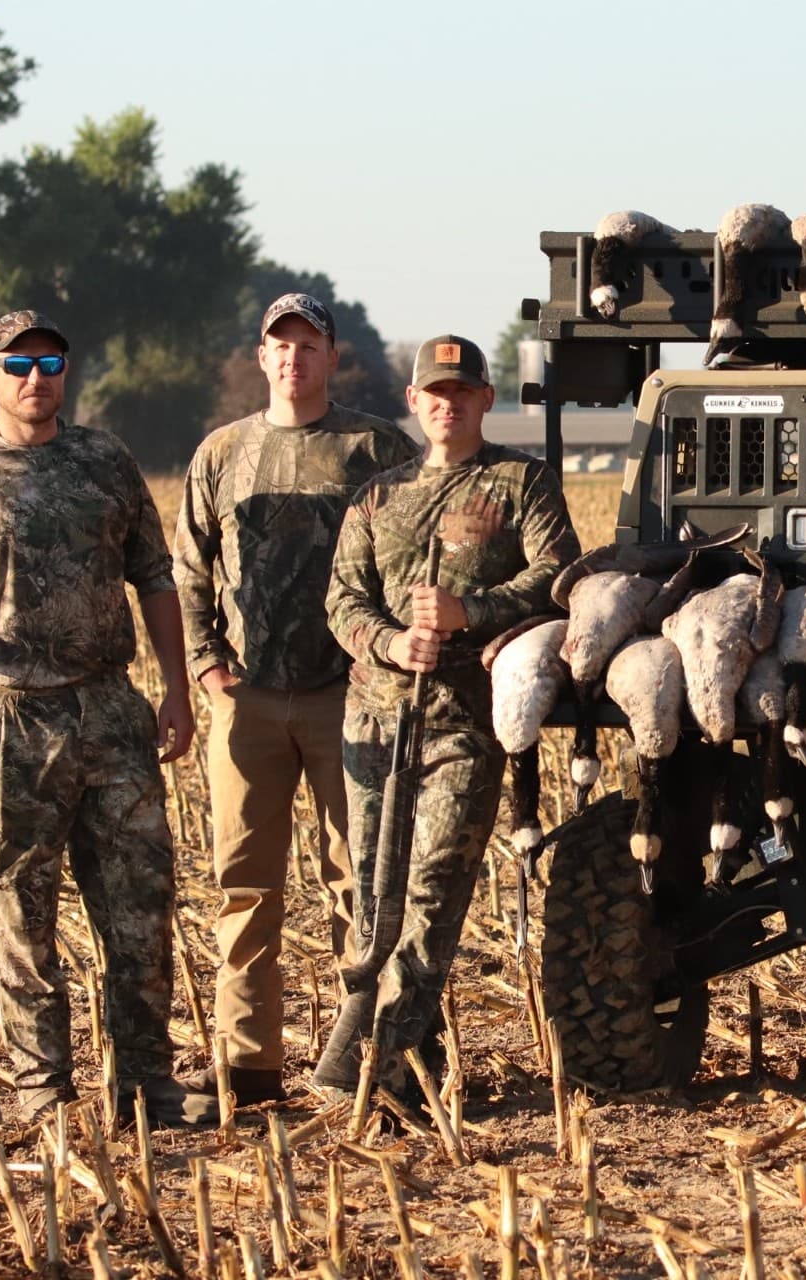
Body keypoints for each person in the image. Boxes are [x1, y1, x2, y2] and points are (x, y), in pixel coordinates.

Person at [0, 311, 216, 1127]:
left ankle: (149, 1085)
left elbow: (156, 578)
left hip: (109, 709)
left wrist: (174, 691)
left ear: (66, 373)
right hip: (4, 718)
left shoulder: (105, 460)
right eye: (19, 364)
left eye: (50, 362)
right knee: (19, 915)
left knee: (141, 910)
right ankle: (43, 1092)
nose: (36, 377)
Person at [312, 334, 579, 1095]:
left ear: (486, 399)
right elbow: (342, 600)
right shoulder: (378, 495)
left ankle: (377, 1070)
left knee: (432, 894)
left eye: (462, 392)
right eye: (434, 392)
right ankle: (413, 1065)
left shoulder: (519, 483)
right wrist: (390, 644)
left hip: (463, 722)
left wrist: (473, 611)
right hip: (373, 722)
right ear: (414, 403)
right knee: (374, 897)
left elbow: (559, 574)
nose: (447, 404)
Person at [173, 294, 421, 1104]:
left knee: (364, 884)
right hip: (246, 704)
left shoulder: (375, 447)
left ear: (331, 354)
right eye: (280, 345)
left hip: (349, 700)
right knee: (245, 887)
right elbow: (188, 575)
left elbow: (412, 559)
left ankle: (369, 1060)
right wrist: (208, 667)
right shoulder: (222, 452)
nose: (292, 358)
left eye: (307, 345)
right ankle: (247, 1068)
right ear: (261, 356)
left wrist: (382, 662)